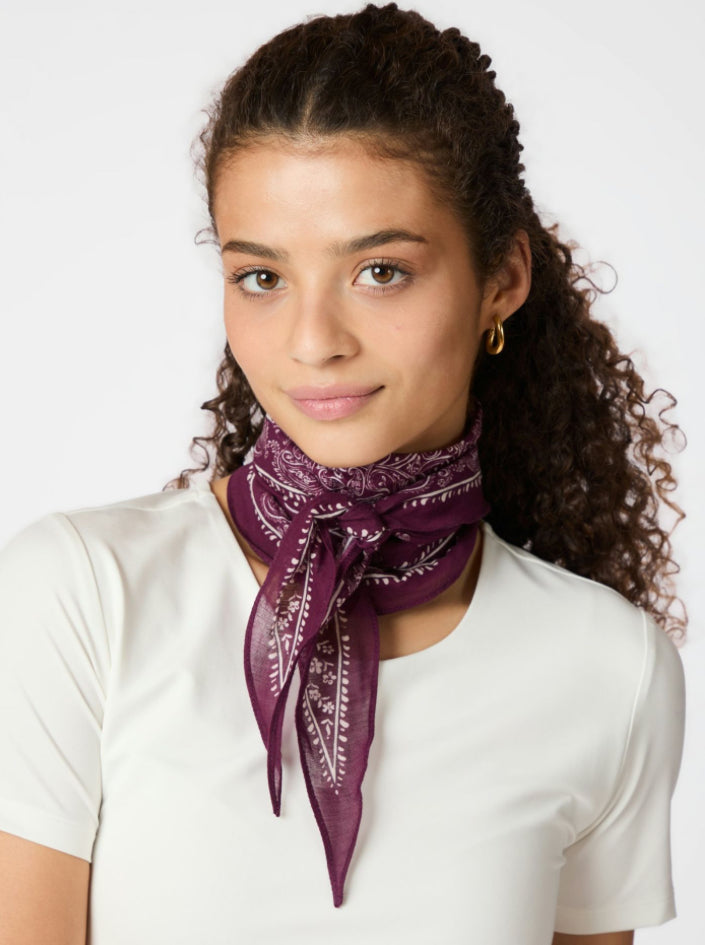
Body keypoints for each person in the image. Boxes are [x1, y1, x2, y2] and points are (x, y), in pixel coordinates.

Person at [0, 3, 688, 943]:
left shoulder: (608, 666)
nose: (313, 341)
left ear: (501, 280)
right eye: (262, 277)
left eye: (380, 271)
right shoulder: (84, 593)